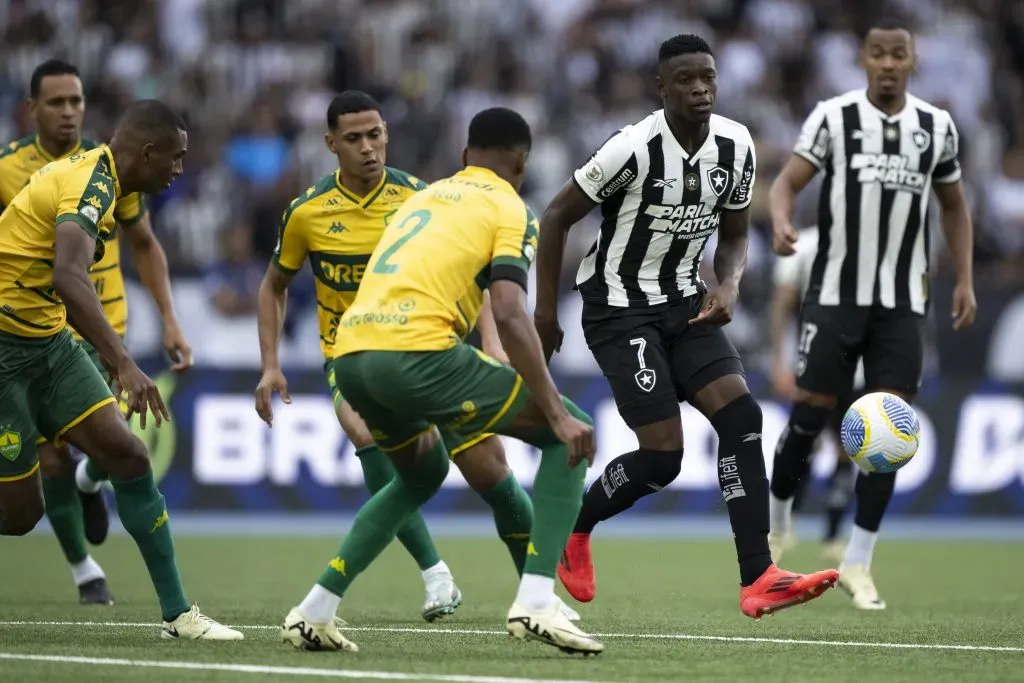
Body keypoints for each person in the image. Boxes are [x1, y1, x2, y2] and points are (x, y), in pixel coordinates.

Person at [275, 107, 603, 655]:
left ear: (464, 157)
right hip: (419, 352)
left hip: (351, 355)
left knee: (422, 470)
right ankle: (537, 601)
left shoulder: (423, 197)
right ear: (522, 162)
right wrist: (554, 408)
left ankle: (316, 609)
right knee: (572, 431)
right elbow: (510, 310)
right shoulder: (510, 208)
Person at [534, 33, 838, 619]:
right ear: (662, 86)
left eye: (708, 78)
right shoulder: (632, 148)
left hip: (685, 303)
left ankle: (760, 577)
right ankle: (571, 529)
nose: (699, 88)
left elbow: (734, 234)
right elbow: (555, 217)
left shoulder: (736, 144)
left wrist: (729, 284)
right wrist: (546, 315)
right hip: (618, 308)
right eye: (685, 79)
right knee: (664, 456)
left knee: (743, 416)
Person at [0, 98, 240, 640]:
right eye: (175, 159)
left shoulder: (108, 182)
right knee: (18, 516)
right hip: (4, 351)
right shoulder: (91, 184)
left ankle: (178, 614)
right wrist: (124, 362)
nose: (179, 170)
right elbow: (68, 273)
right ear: (148, 152)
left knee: (130, 457)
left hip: (47, 340)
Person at [766, 19, 977, 610]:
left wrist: (962, 277)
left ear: (912, 62)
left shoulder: (935, 128)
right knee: (807, 420)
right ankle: (778, 528)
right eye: (878, 54)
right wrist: (782, 220)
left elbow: (954, 207)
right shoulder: (834, 117)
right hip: (835, 294)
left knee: (890, 433)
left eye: (898, 55)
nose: (888, 63)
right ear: (864, 59)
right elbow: (787, 183)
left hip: (902, 304)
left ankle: (858, 561)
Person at [768, 226, 860, 564]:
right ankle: (785, 521)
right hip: (813, 360)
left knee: (848, 445)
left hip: (857, 365)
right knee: (806, 439)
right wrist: (780, 361)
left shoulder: (870, 245)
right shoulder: (805, 244)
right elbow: (782, 305)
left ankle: (834, 534)